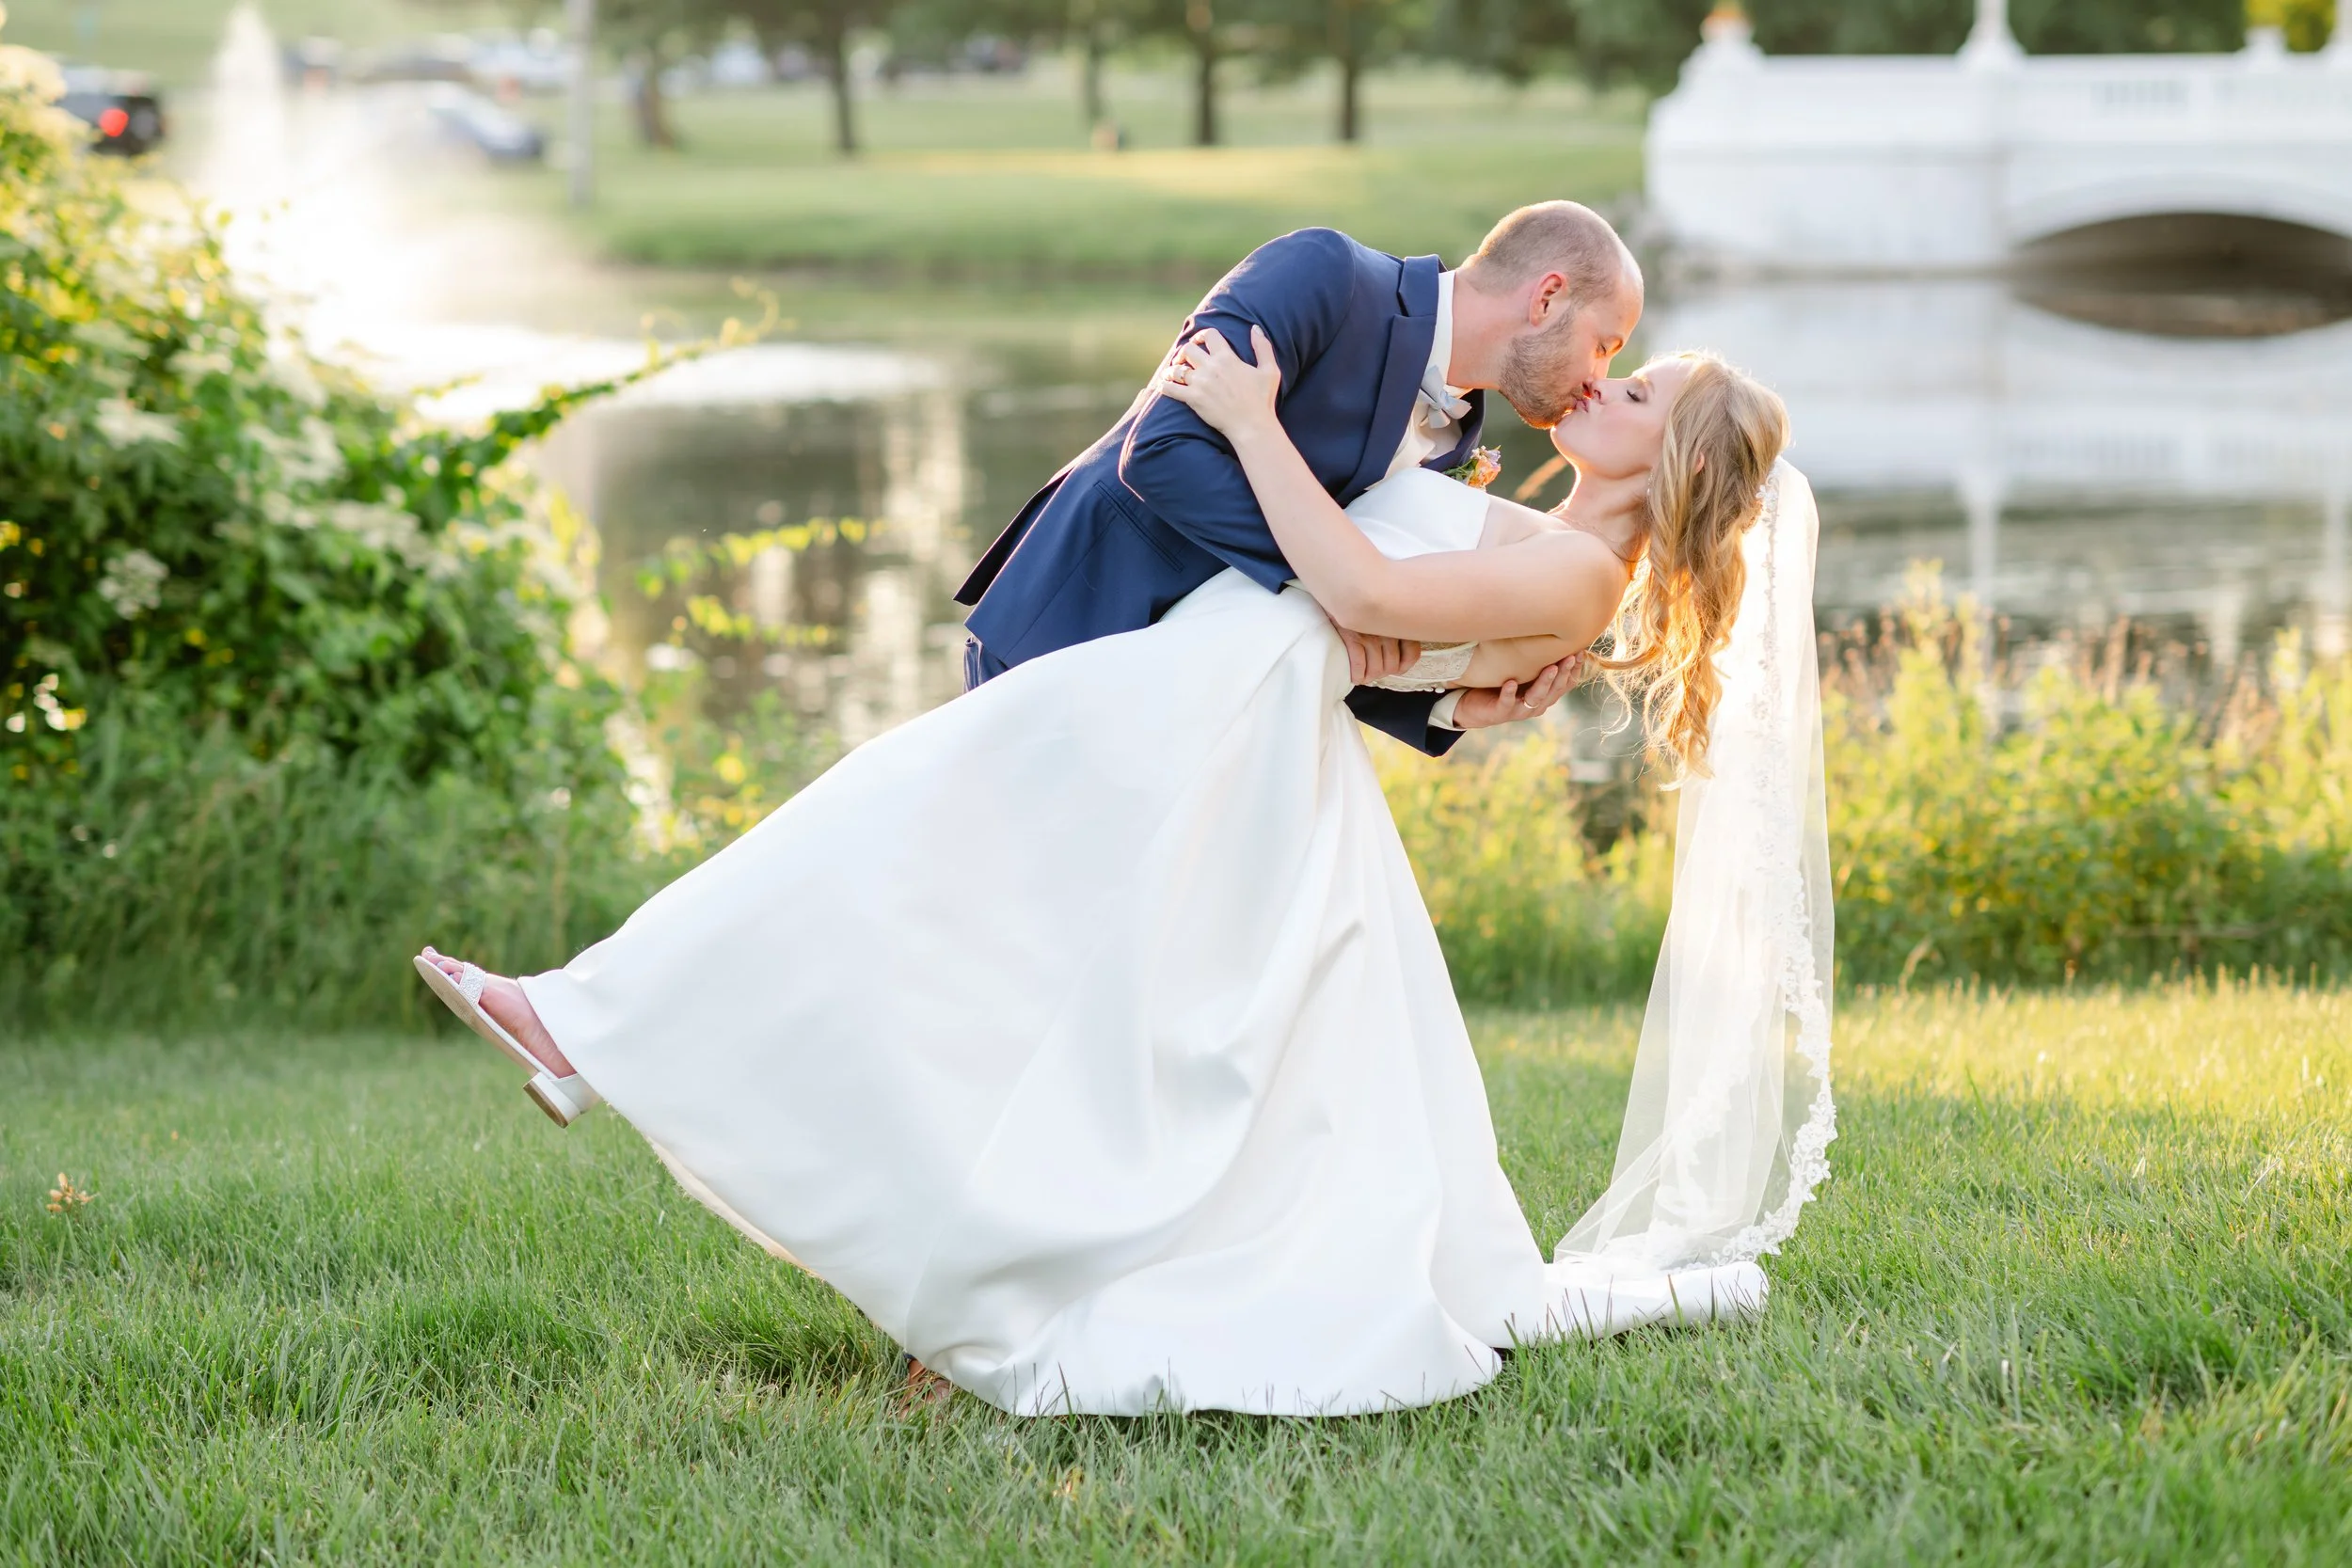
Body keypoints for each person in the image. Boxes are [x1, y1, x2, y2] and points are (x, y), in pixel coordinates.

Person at [414, 229, 1836, 1419]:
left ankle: (616, 1046)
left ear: (1671, 467)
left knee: (966, 921)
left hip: (1210, 717)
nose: (1602, 381)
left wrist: (1256, 429)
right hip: (1167, 682)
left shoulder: (1579, 570)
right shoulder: (1341, 296)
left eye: (1634, 389)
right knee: (948, 905)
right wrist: (1426, 672)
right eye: (1615, 354)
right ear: (1548, 296)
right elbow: (1309, 566)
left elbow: (1361, 588)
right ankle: (599, 1032)